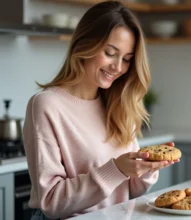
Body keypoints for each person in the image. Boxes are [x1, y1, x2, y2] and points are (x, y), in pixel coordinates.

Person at [23, 1, 179, 219]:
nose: (118, 67)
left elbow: (128, 192)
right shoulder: (46, 105)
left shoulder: (119, 104)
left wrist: (146, 169)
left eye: (126, 59)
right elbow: (51, 201)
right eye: (110, 53)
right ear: (84, 44)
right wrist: (117, 170)